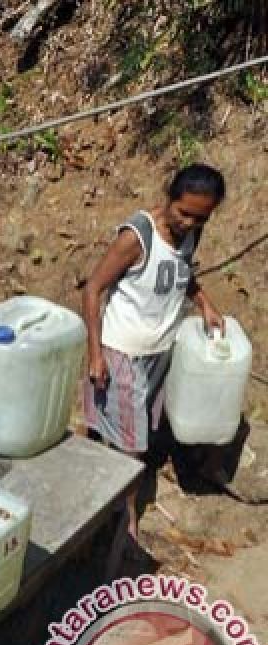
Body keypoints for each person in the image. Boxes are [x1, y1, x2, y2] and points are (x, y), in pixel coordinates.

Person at [82, 163, 227, 539]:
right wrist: (95, 353)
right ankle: (126, 518)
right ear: (169, 198)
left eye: (201, 217)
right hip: (121, 351)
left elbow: (181, 274)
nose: (190, 223)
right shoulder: (138, 236)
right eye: (184, 213)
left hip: (157, 350)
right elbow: (93, 289)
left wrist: (205, 303)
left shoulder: (191, 233)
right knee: (133, 446)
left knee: (130, 427)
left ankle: (99, 482)